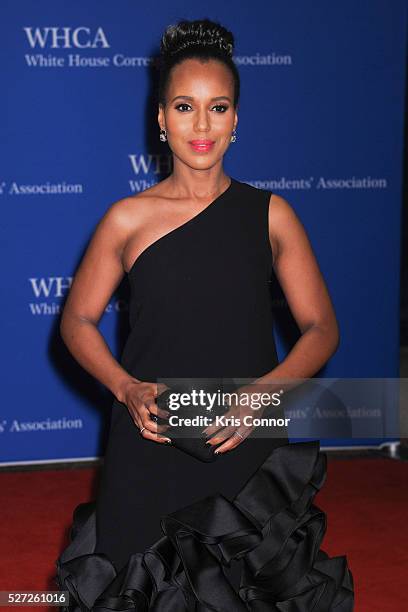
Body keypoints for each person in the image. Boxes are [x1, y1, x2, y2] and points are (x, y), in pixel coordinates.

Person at [55, 18, 354, 611]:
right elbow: (76, 322)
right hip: (152, 434)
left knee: (246, 590)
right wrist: (125, 388)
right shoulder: (125, 220)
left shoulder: (272, 215)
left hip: (244, 437)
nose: (201, 124)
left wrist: (261, 396)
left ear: (236, 120)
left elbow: (323, 329)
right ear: (161, 118)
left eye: (218, 108)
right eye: (185, 106)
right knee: (137, 585)